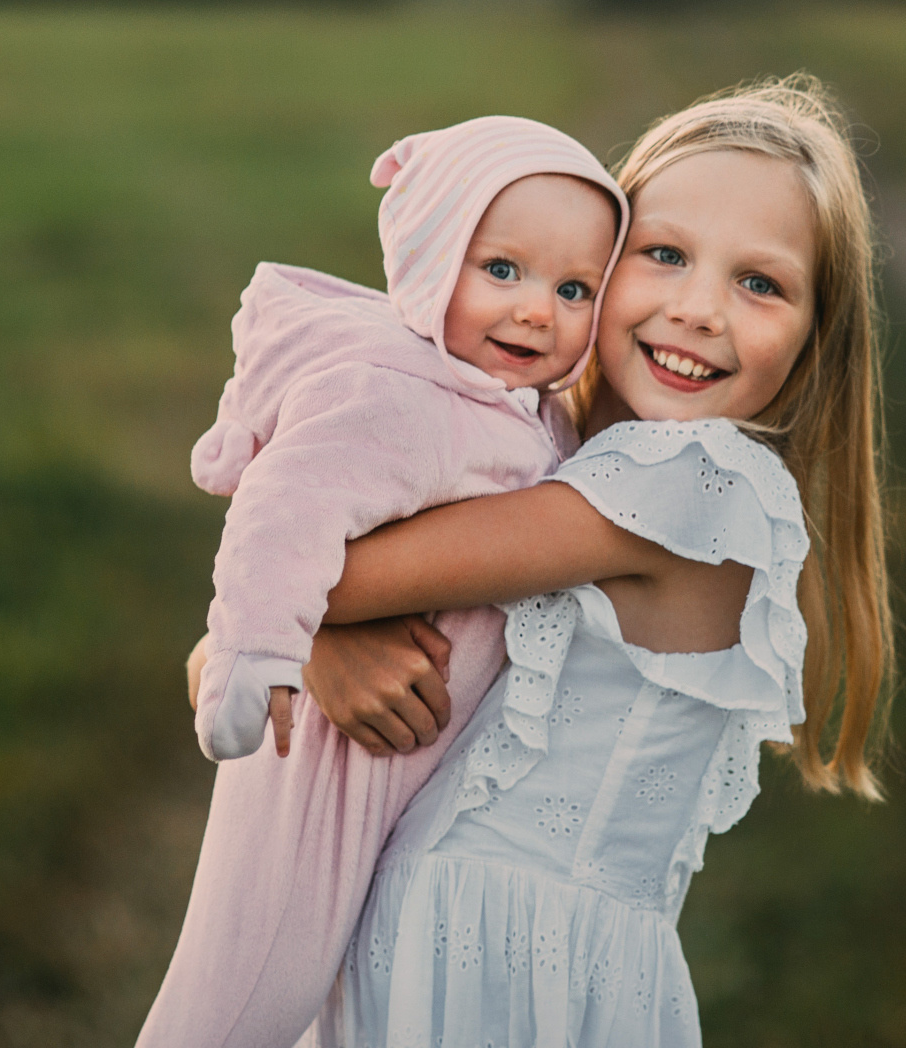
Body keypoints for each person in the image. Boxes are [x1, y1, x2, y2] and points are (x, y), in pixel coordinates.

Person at [297, 75, 894, 1047]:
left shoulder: (691, 481)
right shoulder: (571, 470)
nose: (700, 309)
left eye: (761, 283)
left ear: (818, 339)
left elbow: (319, 572)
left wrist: (311, 634)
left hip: (501, 978)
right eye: (663, 255)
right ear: (597, 264)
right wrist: (301, 643)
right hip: (456, 955)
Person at [136, 116, 629, 1047]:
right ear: (430, 256)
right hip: (322, 764)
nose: (536, 310)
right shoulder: (401, 392)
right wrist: (265, 647)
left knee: (332, 1003)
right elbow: (285, 506)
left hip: (402, 762)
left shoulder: (515, 406)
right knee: (246, 996)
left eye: (573, 290)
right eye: (502, 271)